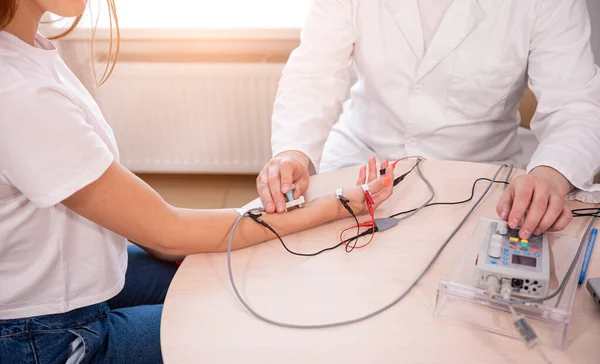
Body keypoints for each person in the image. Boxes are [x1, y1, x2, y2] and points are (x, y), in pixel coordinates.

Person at [0, 1, 396, 363]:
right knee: (258, 318)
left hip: (77, 279)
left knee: (229, 271)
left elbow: (129, 213)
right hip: (43, 335)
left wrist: (167, 237)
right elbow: (168, 231)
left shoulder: (27, 47)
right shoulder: (20, 91)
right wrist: (337, 204)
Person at [257, 0, 600, 241]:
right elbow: (314, 72)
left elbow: (574, 104)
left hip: (479, 173)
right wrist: (293, 152)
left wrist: (550, 177)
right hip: (362, 157)